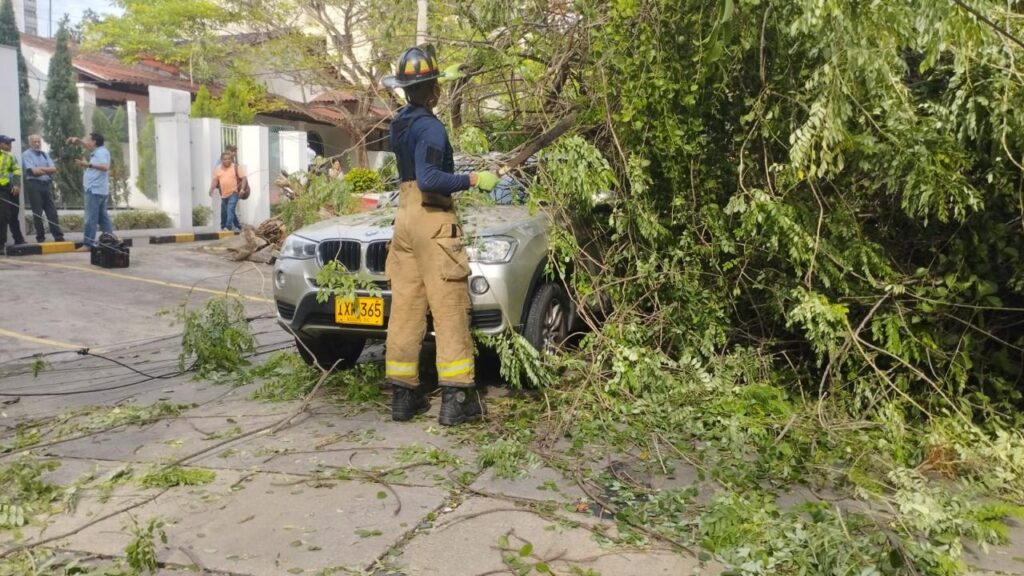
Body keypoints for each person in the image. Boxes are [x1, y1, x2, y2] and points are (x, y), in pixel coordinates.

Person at [381, 45, 499, 425]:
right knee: (449, 307)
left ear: (404, 89)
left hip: (404, 219)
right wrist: (473, 179)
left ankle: (403, 397)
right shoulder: (431, 126)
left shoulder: (399, 123)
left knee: (406, 307)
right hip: (432, 218)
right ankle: (456, 401)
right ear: (433, 89)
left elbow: (415, 174)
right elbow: (431, 179)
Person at [67, 132, 114, 252]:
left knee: (90, 218)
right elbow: (88, 146)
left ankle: (88, 244)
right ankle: (110, 240)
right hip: (98, 189)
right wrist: (79, 140)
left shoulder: (101, 153)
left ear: (94, 142)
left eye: (87, 140)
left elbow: (105, 167)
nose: (85, 142)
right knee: (103, 218)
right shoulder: (99, 151)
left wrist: (88, 164)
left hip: (94, 190)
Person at [22, 134, 64, 243]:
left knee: (52, 212)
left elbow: (54, 169)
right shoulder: (26, 154)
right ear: (30, 143)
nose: (37, 144)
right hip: (33, 185)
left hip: (46, 184)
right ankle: (40, 237)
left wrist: (41, 169)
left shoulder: (45, 155)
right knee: (37, 212)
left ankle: (58, 236)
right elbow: (34, 172)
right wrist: (46, 170)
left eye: (38, 142)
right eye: (34, 142)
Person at [209, 151, 247, 232]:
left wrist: (242, 189)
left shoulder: (235, 167)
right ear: (221, 160)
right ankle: (238, 226)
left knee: (230, 209)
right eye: (225, 159)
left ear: (231, 159)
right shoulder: (218, 169)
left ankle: (227, 227)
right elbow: (215, 180)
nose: (227, 161)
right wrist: (211, 189)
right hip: (223, 194)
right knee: (225, 211)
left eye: (229, 159)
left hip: (234, 192)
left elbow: (243, 178)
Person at [0, 135, 26, 247]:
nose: (10, 146)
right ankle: (1, 244)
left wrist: (16, 184)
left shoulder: (10, 156)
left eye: (10, 143)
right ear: (1, 144)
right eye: (7, 143)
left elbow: (17, 171)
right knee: (3, 216)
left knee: (14, 214)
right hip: (2, 190)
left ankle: (18, 239)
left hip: (11, 189)